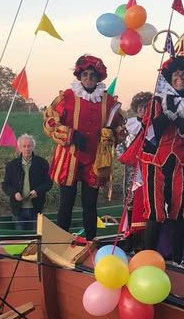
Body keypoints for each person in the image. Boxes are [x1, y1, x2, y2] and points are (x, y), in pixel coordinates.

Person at [43, 54, 124, 240]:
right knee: (66, 203)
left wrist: (110, 135)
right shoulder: (67, 97)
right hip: (69, 157)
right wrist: (69, 134)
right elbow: (50, 120)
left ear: (98, 78)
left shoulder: (108, 100)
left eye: (92, 75)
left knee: (90, 204)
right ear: (79, 77)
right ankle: (60, 242)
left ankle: (90, 242)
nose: (88, 79)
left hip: (95, 159)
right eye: (85, 75)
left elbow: (119, 126)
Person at [137, 53, 184, 263]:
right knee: (155, 212)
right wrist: (168, 115)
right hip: (154, 161)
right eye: (176, 73)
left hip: (182, 162)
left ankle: (176, 262)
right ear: (170, 77)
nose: (180, 77)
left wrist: (183, 125)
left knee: (178, 212)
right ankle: (147, 260)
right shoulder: (157, 102)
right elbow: (150, 132)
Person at [116, 91, 152, 248]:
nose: (142, 110)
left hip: (148, 171)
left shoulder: (152, 125)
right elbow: (119, 145)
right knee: (129, 204)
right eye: (140, 107)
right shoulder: (129, 125)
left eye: (146, 107)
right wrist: (124, 157)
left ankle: (144, 241)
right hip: (131, 171)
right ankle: (129, 239)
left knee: (146, 204)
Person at [1, 133, 52, 233]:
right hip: (18, 210)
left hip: (36, 208)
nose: (27, 149)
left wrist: (37, 191)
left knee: (35, 239)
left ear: (33, 147)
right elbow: (5, 185)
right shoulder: (11, 165)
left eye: (29, 146)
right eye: (24, 146)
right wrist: (14, 193)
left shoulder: (42, 163)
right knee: (20, 238)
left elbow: (48, 183)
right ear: (20, 148)